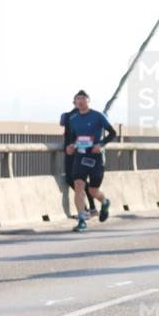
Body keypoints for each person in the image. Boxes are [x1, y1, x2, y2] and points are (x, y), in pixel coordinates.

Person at [64, 90, 117, 232]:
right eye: (77, 99)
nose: (80, 101)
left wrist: (101, 144)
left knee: (93, 190)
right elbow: (73, 137)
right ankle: (82, 219)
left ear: (88, 101)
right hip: (80, 155)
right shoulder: (73, 119)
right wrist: (70, 146)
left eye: (83, 98)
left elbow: (112, 133)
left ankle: (104, 202)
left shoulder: (98, 116)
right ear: (75, 102)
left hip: (95, 157)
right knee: (79, 185)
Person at [60, 106, 97, 216]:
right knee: (79, 181)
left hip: (75, 154)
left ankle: (85, 210)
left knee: (74, 180)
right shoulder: (72, 116)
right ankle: (90, 209)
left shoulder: (67, 116)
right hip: (80, 153)